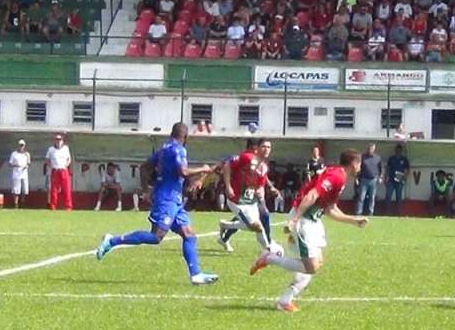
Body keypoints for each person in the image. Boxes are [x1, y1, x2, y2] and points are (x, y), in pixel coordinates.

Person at [95, 122, 219, 285]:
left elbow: (144, 168)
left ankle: (195, 274)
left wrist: (146, 189)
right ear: (185, 137)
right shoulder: (178, 149)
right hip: (167, 199)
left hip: (174, 199)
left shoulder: (163, 150)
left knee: (189, 235)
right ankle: (112, 241)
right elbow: (182, 171)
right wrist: (203, 169)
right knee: (156, 236)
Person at [249, 150, 368, 312]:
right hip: (304, 220)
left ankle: (285, 300)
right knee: (311, 266)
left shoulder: (340, 177)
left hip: (313, 221)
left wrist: (354, 221)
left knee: (315, 263)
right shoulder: (337, 176)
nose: (360, 168)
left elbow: (330, 209)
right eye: (359, 164)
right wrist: (295, 220)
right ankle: (270, 258)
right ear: (354, 164)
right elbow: (312, 195)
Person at [217, 138, 280, 255]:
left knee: (258, 225)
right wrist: (228, 186)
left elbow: (260, 185)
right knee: (257, 226)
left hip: (251, 202)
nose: (267, 149)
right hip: (237, 200)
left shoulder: (265, 167)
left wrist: (261, 191)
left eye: (269, 147)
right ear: (257, 148)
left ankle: (226, 226)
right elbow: (227, 165)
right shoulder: (247, 158)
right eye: (264, 147)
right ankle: (269, 249)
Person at [45, 134, 73, 210]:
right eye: (57, 139)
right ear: (55, 141)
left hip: (63, 170)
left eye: (60, 139)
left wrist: (66, 166)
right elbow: (47, 159)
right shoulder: (51, 149)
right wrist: (51, 166)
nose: (58, 141)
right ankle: (53, 205)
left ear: (62, 141)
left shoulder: (66, 148)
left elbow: (69, 159)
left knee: (66, 188)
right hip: (55, 170)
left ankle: (68, 206)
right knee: (54, 189)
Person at [355, 143, 381, 216]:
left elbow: (379, 169)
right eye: (369, 148)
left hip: (373, 180)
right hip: (364, 179)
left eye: (372, 149)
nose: (370, 150)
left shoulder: (377, 158)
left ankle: (371, 212)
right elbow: (358, 168)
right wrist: (356, 178)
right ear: (367, 149)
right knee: (361, 197)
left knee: (372, 197)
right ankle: (359, 212)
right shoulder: (362, 157)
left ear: (374, 149)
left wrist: (379, 177)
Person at [385, 144, 410, 214]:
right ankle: (387, 212)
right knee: (388, 196)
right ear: (395, 150)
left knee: (399, 197)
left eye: (399, 150)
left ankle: (398, 212)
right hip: (391, 180)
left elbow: (407, 170)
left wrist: (405, 178)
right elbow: (388, 168)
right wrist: (385, 178)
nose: (398, 151)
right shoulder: (391, 158)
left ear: (401, 151)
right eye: (397, 150)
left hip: (400, 180)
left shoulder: (404, 159)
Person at [9, 139, 31, 208]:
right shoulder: (14, 154)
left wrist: (26, 166)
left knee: (25, 189)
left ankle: (22, 202)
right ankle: (16, 204)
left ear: (24, 146)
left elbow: (28, 163)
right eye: (20, 145)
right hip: (16, 173)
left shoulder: (27, 154)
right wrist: (16, 165)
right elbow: (10, 164)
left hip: (24, 173)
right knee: (16, 189)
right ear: (18, 145)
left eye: (22, 145)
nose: (21, 146)